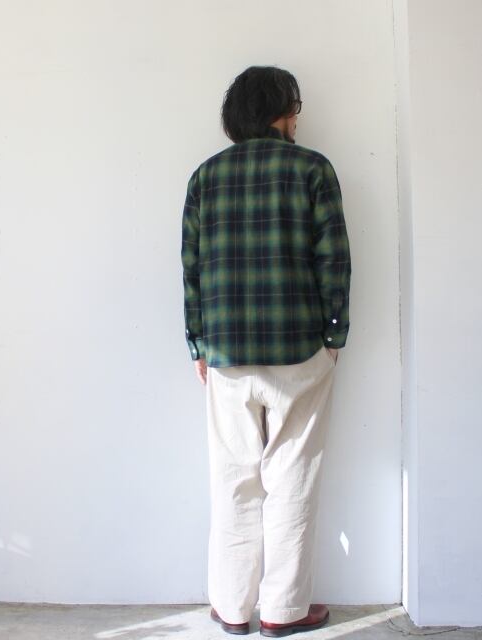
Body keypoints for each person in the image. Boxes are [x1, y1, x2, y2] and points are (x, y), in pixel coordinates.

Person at [180, 65, 351, 637]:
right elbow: (334, 261)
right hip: (299, 349)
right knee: (293, 480)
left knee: (233, 481)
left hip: (226, 355)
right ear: (282, 111)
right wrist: (334, 336)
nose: (298, 117)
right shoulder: (312, 170)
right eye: (294, 107)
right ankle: (283, 611)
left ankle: (232, 608)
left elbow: (191, 271)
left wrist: (197, 343)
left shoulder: (205, 178)